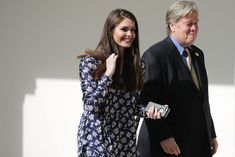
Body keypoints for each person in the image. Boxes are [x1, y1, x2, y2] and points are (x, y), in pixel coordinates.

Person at [137, 1, 218, 157]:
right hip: (167, 146)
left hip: (196, 143)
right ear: (172, 26)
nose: (194, 28)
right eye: (189, 24)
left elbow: (202, 100)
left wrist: (210, 133)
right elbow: (147, 102)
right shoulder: (155, 55)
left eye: (196, 23)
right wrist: (164, 136)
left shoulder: (197, 54)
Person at [77, 8, 161, 157]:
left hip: (125, 140)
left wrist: (148, 111)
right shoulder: (90, 63)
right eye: (124, 29)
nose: (130, 34)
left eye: (133, 30)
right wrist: (108, 74)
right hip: (98, 139)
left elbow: (129, 107)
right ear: (110, 31)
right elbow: (90, 106)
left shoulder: (136, 66)